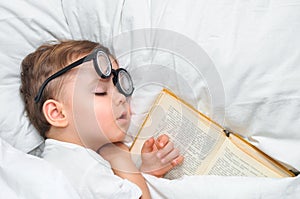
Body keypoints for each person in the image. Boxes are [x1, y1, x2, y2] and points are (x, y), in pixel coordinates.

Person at [20, 40, 184, 199]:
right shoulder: (83, 168)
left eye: (120, 89)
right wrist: (120, 159)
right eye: (100, 91)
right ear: (57, 113)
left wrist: (146, 174)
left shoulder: (67, 162)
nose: (121, 98)